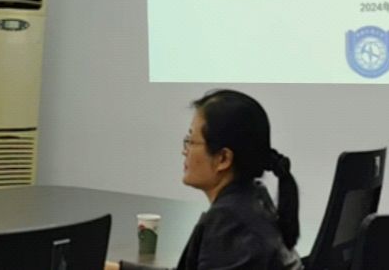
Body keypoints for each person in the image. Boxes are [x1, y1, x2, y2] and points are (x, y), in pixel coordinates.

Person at [108, 90, 304, 270]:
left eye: (191, 141)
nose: (184, 151)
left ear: (223, 159)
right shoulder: (253, 200)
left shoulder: (230, 222)